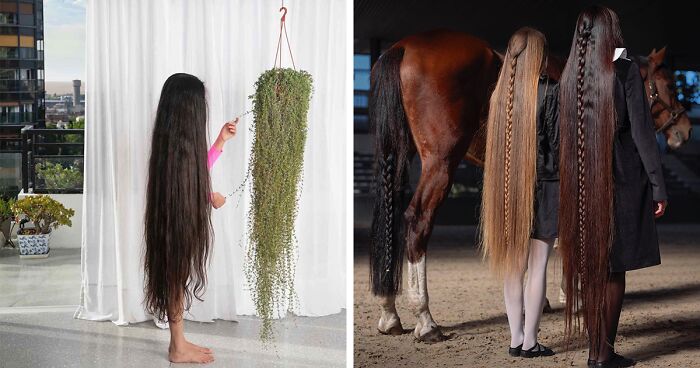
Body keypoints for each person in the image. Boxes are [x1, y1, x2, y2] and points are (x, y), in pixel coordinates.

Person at [558, 6, 668, 368]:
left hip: (580, 184)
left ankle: (596, 352)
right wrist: (657, 184)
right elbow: (642, 133)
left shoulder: (570, 75)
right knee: (613, 270)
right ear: (611, 33)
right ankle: (603, 354)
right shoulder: (625, 71)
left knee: (593, 269)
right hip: (620, 180)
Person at [143, 73, 237, 364]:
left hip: (172, 220)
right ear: (190, 110)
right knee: (174, 276)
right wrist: (212, 198)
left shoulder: (171, 146)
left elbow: (196, 170)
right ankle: (177, 347)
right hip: (178, 222)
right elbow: (191, 182)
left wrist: (220, 140)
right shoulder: (180, 152)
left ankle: (179, 341)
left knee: (176, 275)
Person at [480, 27, 559, 359]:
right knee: (538, 267)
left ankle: (515, 339)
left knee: (513, 267)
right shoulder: (549, 93)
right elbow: (557, 149)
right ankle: (530, 341)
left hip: (505, 189)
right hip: (546, 186)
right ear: (538, 56)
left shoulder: (499, 97)